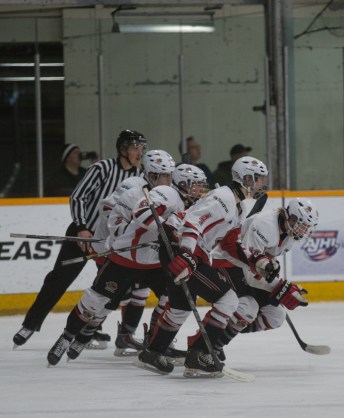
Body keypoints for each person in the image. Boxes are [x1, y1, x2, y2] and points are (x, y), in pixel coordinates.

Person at [136, 156, 279, 378]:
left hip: (186, 249)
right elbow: (193, 222)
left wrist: (256, 261)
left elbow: (231, 243)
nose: (263, 184)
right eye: (259, 179)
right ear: (246, 178)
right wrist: (186, 254)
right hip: (181, 247)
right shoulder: (224, 198)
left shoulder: (237, 206)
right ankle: (200, 353)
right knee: (228, 299)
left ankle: (153, 352)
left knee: (181, 306)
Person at [45, 149, 182, 366]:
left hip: (154, 262)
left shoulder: (172, 194)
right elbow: (113, 221)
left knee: (175, 296)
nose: (168, 180)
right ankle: (67, 337)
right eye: (163, 175)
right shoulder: (131, 193)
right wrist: (131, 235)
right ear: (151, 175)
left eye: (169, 174)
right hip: (125, 260)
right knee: (95, 300)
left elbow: (179, 222)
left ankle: (156, 343)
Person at [13, 129, 147, 348]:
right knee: (58, 280)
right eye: (135, 147)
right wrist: (81, 227)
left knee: (106, 290)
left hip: (109, 243)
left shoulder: (140, 178)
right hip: (82, 235)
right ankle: (30, 323)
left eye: (142, 148)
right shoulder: (102, 168)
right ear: (123, 149)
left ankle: (89, 330)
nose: (139, 152)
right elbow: (78, 196)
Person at [212, 197, 319, 361]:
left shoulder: (290, 237)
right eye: (302, 225)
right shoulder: (265, 225)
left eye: (307, 227)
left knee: (275, 316)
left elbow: (265, 261)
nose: (304, 231)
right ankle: (211, 345)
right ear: (291, 218)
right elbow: (249, 269)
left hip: (249, 270)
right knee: (248, 307)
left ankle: (223, 332)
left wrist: (278, 284)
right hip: (227, 263)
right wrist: (280, 288)